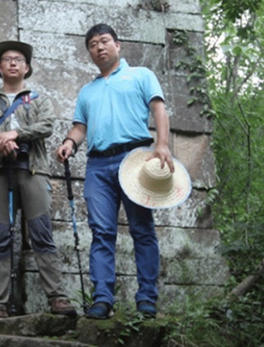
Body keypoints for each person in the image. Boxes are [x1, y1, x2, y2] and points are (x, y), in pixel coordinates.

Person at [55, 23, 175, 320]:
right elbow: (80, 127)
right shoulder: (87, 91)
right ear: (89, 53)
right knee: (101, 231)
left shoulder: (141, 75)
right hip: (97, 166)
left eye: (104, 41)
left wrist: (162, 145)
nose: (99, 47)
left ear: (117, 45)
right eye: (92, 44)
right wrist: (69, 142)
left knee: (142, 229)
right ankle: (102, 298)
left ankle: (147, 299)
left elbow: (159, 109)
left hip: (135, 159)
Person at [0, 41, 76, 319]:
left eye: (18, 59)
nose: (13, 63)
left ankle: (57, 297)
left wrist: (15, 134)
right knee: (0, 236)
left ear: (27, 67)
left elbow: (47, 125)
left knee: (42, 232)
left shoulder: (39, 99)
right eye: (7, 59)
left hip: (33, 170)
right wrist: (0, 142)